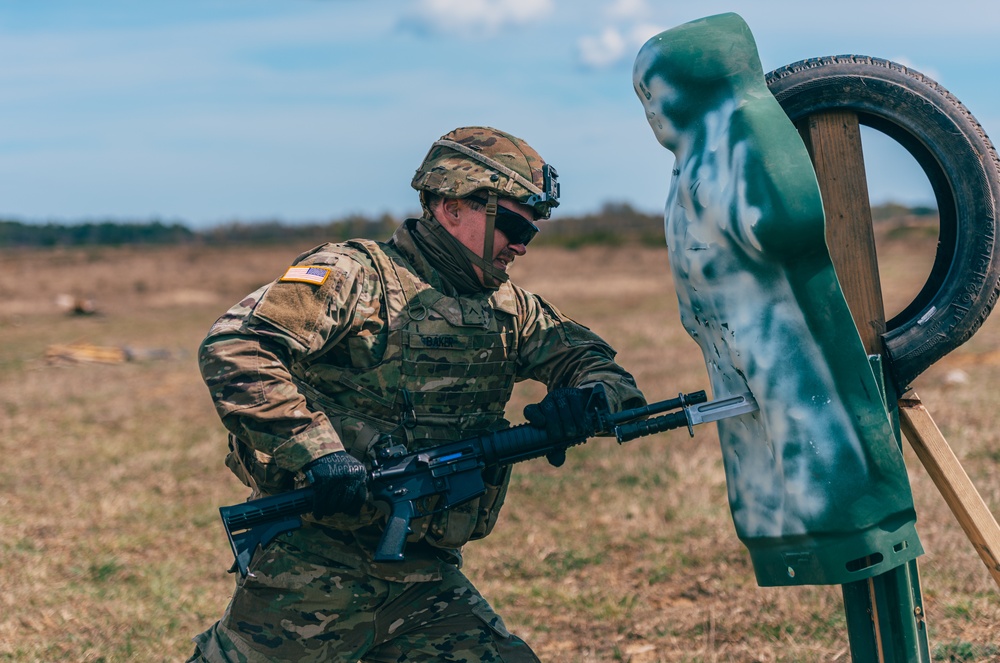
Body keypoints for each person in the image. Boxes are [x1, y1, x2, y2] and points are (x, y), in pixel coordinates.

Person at [188, 126, 646, 662]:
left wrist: (588, 399)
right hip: (312, 565)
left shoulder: (511, 309)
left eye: (533, 231)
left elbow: (598, 367)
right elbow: (237, 345)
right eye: (516, 223)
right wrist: (319, 453)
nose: (522, 245)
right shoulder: (354, 275)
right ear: (452, 205)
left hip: (424, 577)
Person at [632, 13, 920, 586]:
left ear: (698, 81)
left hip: (781, 331)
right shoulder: (690, 159)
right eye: (643, 100)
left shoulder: (744, 129)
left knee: (819, 448)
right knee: (765, 463)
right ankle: (790, 543)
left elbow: (787, 220)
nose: (651, 112)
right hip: (730, 341)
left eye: (657, 93)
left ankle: (853, 532)